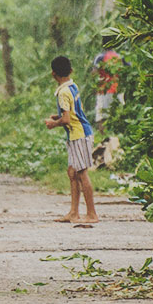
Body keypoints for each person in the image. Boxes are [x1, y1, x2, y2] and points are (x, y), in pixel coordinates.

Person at [44, 56, 98, 224]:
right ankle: (73, 212)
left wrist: (54, 123)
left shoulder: (62, 93)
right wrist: (58, 116)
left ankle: (92, 214)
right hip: (78, 133)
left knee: (82, 173)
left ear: (53, 74)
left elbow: (66, 120)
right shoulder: (72, 87)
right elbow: (73, 113)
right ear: (71, 71)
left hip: (79, 135)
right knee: (72, 173)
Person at [91, 41, 122, 131]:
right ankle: (118, 137)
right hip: (118, 89)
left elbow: (94, 73)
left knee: (101, 116)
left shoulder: (101, 57)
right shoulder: (119, 57)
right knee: (118, 115)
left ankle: (105, 138)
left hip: (104, 90)